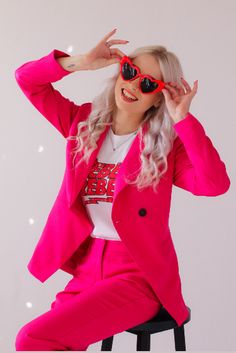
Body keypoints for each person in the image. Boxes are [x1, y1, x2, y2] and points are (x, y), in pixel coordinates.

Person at [14, 28, 230, 351]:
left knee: (32, 339)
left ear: (159, 96)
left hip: (138, 277)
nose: (132, 85)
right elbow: (26, 80)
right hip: (88, 267)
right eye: (130, 71)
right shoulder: (83, 123)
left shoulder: (164, 149)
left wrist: (183, 119)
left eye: (147, 84)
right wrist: (83, 62)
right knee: (40, 341)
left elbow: (216, 184)